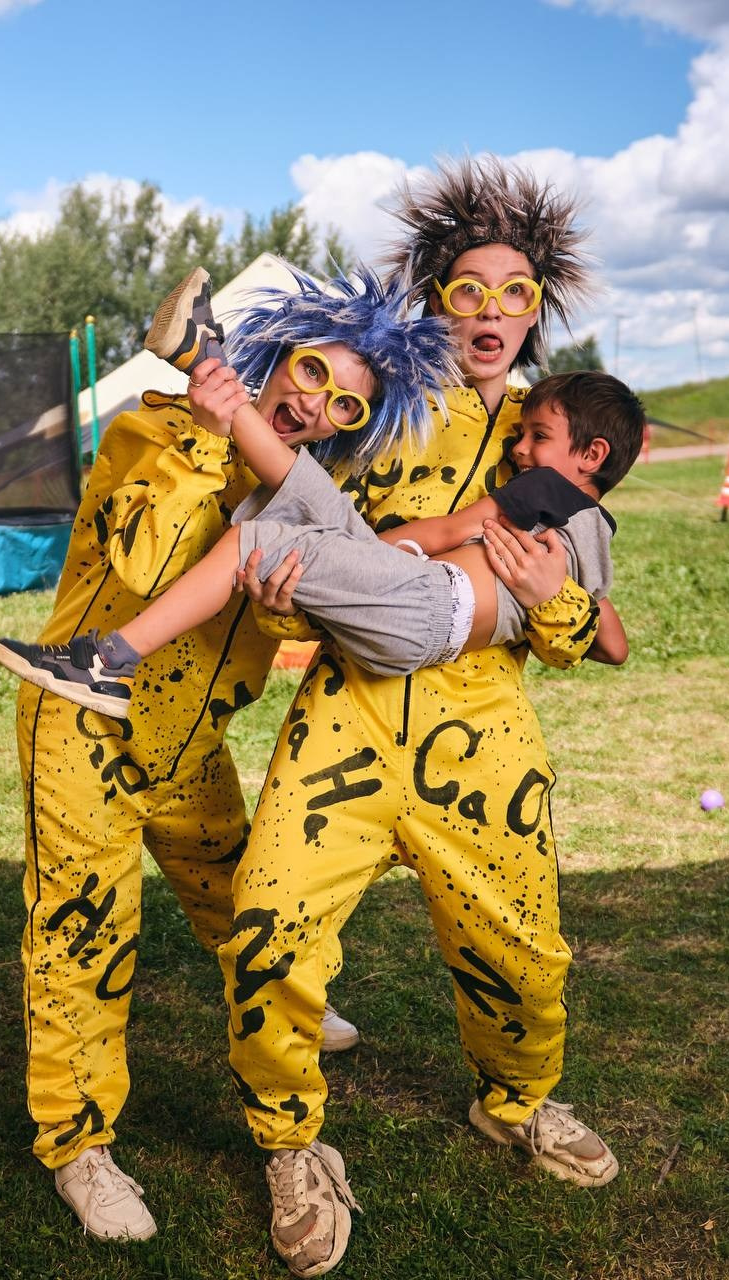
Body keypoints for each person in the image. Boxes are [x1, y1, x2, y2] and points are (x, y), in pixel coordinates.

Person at [216, 155, 624, 1279]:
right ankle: (290, 1144)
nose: (490, 310)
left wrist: (556, 603)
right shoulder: (378, 408)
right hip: (346, 712)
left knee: (526, 954)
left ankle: (517, 1100)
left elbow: (587, 627)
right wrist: (277, 590)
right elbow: (290, 504)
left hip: (484, 730)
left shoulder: (554, 437)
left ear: (537, 310)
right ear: (436, 300)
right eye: (467, 289)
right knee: (266, 924)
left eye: (513, 292)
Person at [1, 264, 455, 1243]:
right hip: (84, 723)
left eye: (344, 403)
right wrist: (210, 437)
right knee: (82, 936)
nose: (315, 403)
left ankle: (282, 1000)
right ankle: (80, 1147)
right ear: (273, 356)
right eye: (309, 371)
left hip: (189, 742)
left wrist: (293, 603)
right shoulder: (152, 429)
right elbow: (142, 564)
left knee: (239, 887)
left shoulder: (297, 487)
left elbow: (282, 615)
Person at [0, 363, 642, 715]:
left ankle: (108, 662)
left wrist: (368, 549)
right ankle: (207, 367)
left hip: (426, 603)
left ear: (591, 455)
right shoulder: (592, 530)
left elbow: (449, 529)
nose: (518, 447)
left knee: (254, 538)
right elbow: (610, 642)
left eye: (536, 437)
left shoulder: (546, 491)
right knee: (309, 492)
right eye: (520, 433)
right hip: (423, 614)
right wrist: (548, 597)